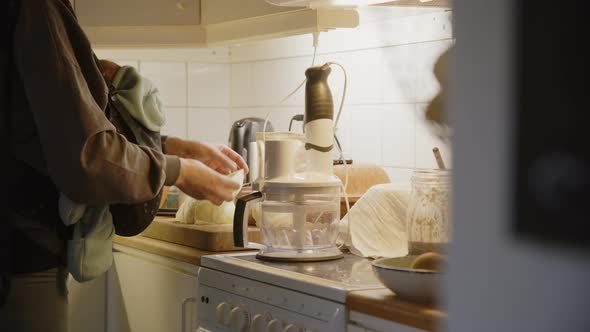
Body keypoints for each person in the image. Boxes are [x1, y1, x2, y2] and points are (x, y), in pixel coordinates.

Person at [0, 0, 248, 331]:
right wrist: (179, 171)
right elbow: (87, 158)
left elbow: (45, 129)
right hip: (20, 263)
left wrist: (176, 149)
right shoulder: (37, 8)